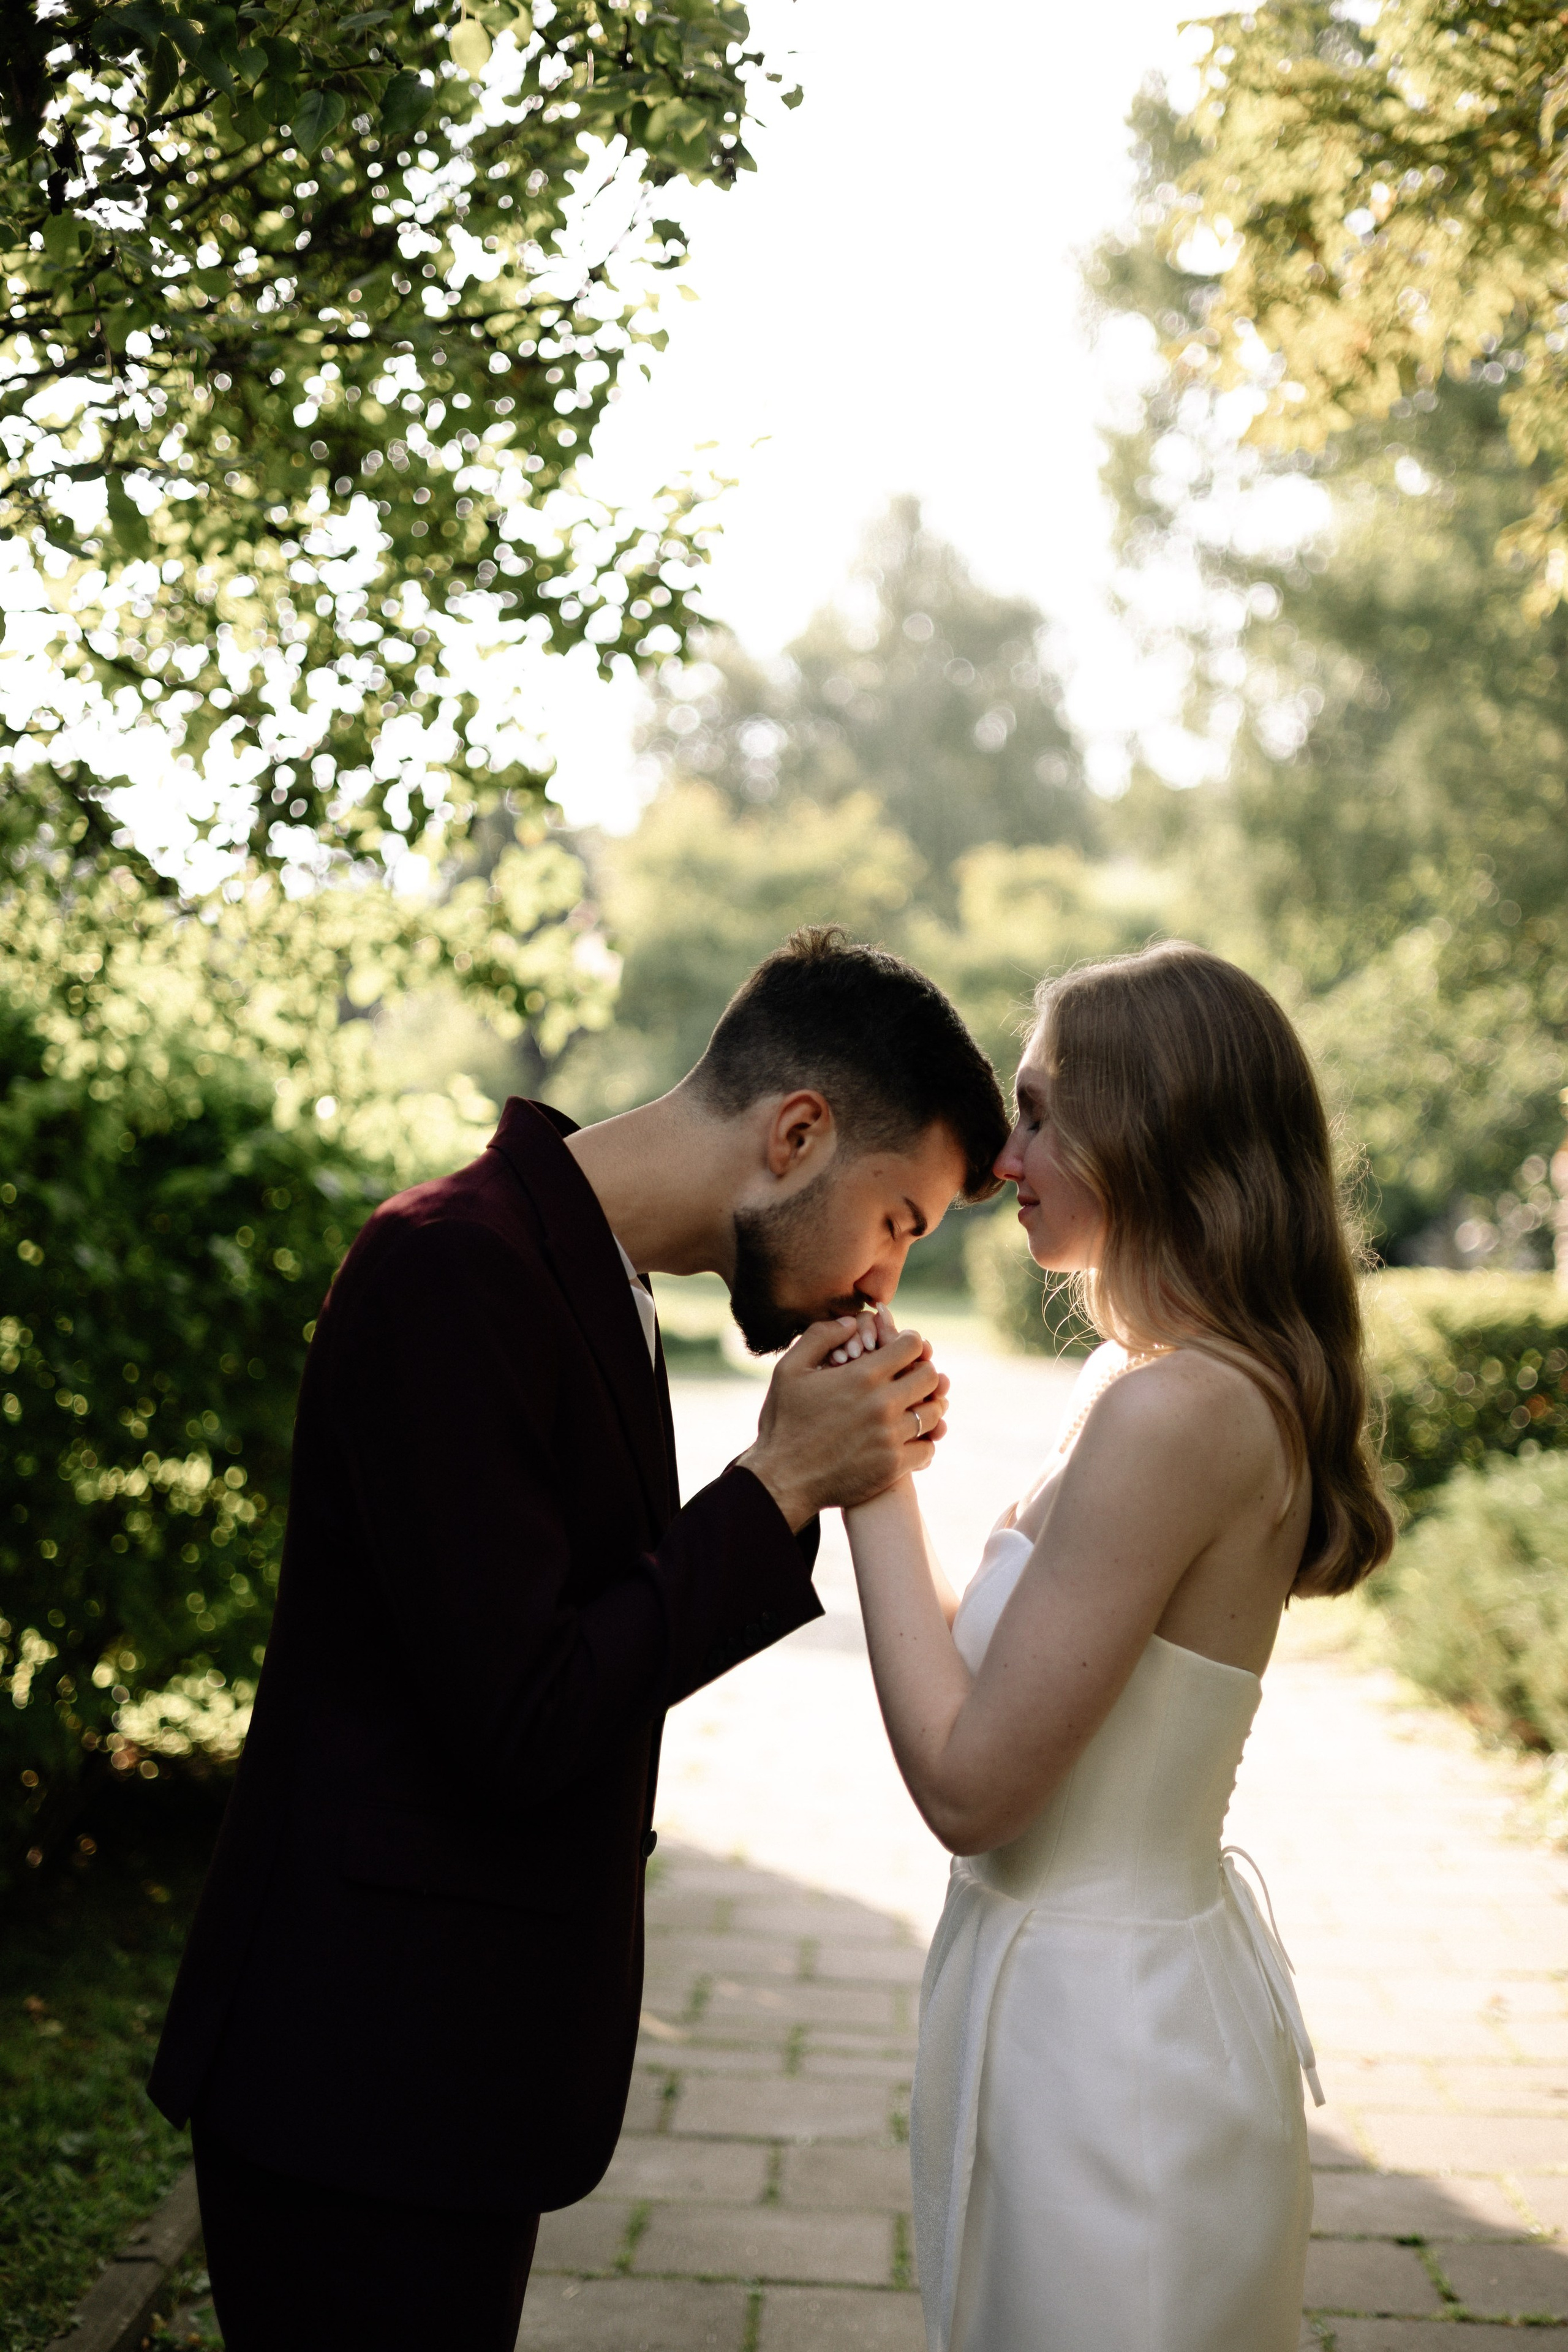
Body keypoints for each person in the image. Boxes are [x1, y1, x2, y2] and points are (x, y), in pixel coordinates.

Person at [148, 927, 1008, 2352]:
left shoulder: (599, 1280)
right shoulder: (448, 1266)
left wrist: (787, 1485)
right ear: (797, 1133)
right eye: (897, 1220)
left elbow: (594, 1626)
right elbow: (522, 1714)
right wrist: (776, 1483)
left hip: (452, 2072)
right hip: (354, 2073)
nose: (881, 1282)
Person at [837, 941, 1395, 2352]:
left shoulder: (1177, 1413)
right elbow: (991, 1693)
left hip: (1110, 2049)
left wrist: (865, 1478)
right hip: (1057, 2001)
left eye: (1035, 1115)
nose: (1001, 1161)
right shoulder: (1130, 1380)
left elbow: (968, 1787)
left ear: (1143, 1132)